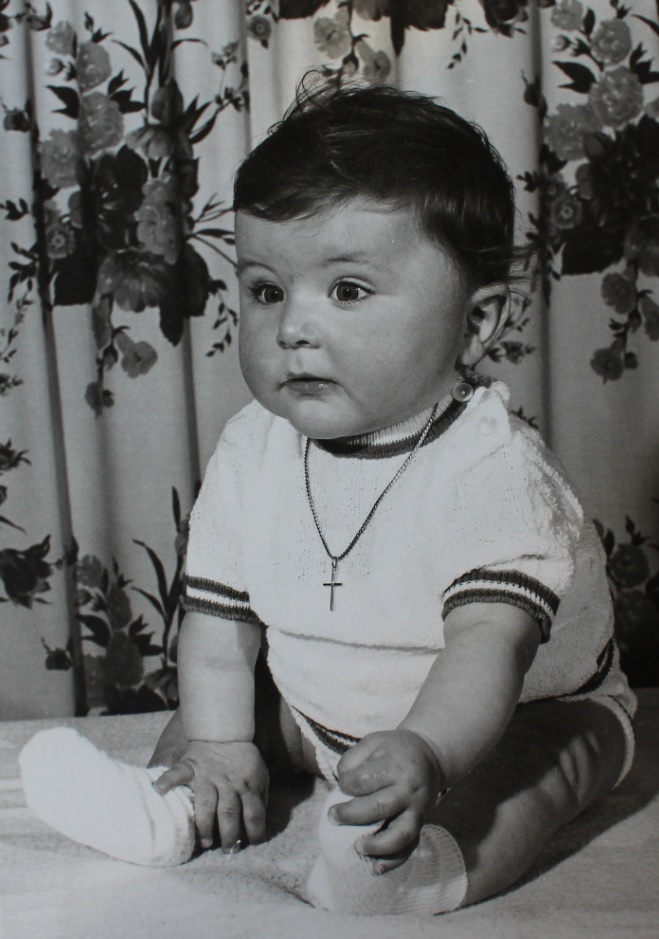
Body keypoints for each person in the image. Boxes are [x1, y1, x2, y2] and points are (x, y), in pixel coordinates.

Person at [20, 81, 636, 916]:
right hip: (320, 706)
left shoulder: (493, 469)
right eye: (266, 290)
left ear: (476, 323)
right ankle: (169, 810)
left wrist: (428, 751)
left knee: (526, 778)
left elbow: (487, 646)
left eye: (347, 290)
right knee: (214, 716)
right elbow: (219, 627)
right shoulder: (252, 447)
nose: (291, 328)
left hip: (512, 711)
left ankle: (416, 870)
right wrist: (220, 744)